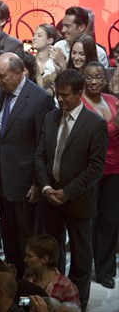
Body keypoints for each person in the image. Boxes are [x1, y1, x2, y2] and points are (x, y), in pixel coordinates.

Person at [0, 53, 55, 278]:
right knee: (8, 235)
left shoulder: (40, 99)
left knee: (26, 237)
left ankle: (30, 282)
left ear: (19, 73)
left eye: (2, 76)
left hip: (26, 182)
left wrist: (39, 183)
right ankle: (13, 277)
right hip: (3, 179)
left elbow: (44, 145)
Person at [35, 69, 108, 310]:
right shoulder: (50, 117)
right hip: (50, 197)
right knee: (53, 252)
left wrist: (67, 192)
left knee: (81, 255)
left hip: (78, 199)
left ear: (80, 93)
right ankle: (54, 297)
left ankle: (78, 302)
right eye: (58, 94)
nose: (60, 100)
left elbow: (95, 168)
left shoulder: (95, 124)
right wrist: (46, 186)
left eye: (65, 95)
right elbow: (41, 155)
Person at [80, 62, 119, 290]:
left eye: (98, 77)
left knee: (110, 220)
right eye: (89, 77)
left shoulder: (113, 100)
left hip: (115, 170)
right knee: (89, 222)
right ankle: (86, 267)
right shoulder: (80, 103)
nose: (93, 81)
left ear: (105, 79)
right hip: (90, 170)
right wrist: (114, 125)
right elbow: (90, 135)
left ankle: (105, 271)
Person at [23, 235, 79, 304]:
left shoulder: (67, 287)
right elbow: (22, 304)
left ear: (45, 259)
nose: (25, 260)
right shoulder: (27, 277)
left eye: (29, 256)